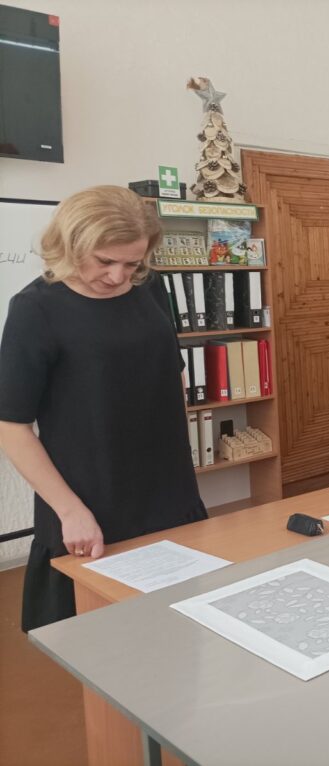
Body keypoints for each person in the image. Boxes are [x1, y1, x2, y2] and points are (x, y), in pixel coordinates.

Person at [0, 186, 206, 632]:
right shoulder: (35, 309)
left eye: (132, 263)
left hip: (167, 488)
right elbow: (11, 426)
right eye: (105, 261)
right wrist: (70, 511)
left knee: (178, 631)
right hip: (89, 497)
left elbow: (170, 369)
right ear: (71, 244)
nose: (118, 276)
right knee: (104, 637)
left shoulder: (150, 287)